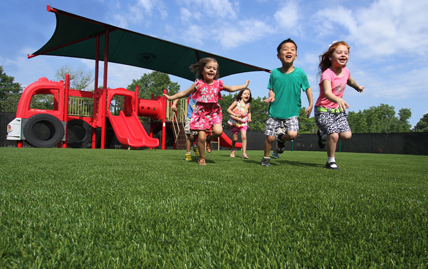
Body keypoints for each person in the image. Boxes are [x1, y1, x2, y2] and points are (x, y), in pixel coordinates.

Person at [164, 57, 250, 165]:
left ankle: (209, 139)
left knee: (218, 132)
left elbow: (232, 88)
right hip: (201, 112)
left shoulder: (218, 84)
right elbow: (184, 93)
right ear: (201, 70)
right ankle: (202, 157)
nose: (211, 70)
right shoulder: (198, 84)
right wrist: (171, 98)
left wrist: (244, 86)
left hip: (214, 111)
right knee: (201, 137)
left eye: (214, 69)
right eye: (208, 68)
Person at [261, 38, 313, 167]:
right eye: (285, 49)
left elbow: (307, 88)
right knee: (269, 137)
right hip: (275, 111)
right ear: (279, 56)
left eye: (292, 49)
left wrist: (311, 103)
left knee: (292, 134)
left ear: (296, 55)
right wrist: (271, 97)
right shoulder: (274, 73)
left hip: (292, 111)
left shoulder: (300, 73)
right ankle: (266, 158)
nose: (288, 51)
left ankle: (281, 139)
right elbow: (271, 89)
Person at [315, 41, 364, 170]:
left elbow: (349, 80)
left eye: (346, 53)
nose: (343, 55)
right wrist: (338, 99)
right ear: (331, 57)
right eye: (339, 52)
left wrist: (357, 87)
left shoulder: (346, 71)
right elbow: (327, 93)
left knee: (347, 135)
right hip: (323, 110)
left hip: (337, 110)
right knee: (334, 135)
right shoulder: (327, 74)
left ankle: (322, 135)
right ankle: (330, 161)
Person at [171, 95, 199, 161]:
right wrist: (174, 104)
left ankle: (195, 146)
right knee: (190, 136)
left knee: (202, 136)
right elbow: (180, 95)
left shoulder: (205, 93)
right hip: (190, 118)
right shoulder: (192, 92)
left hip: (200, 118)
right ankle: (188, 154)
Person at [227, 88, 252, 159]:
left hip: (243, 122)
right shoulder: (236, 102)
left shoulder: (248, 105)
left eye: (248, 94)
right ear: (241, 95)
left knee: (244, 137)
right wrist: (234, 114)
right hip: (235, 122)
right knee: (235, 139)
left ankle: (244, 153)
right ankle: (233, 150)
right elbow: (228, 110)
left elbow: (249, 112)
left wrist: (249, 118)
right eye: (245, 94)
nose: (247, 95)